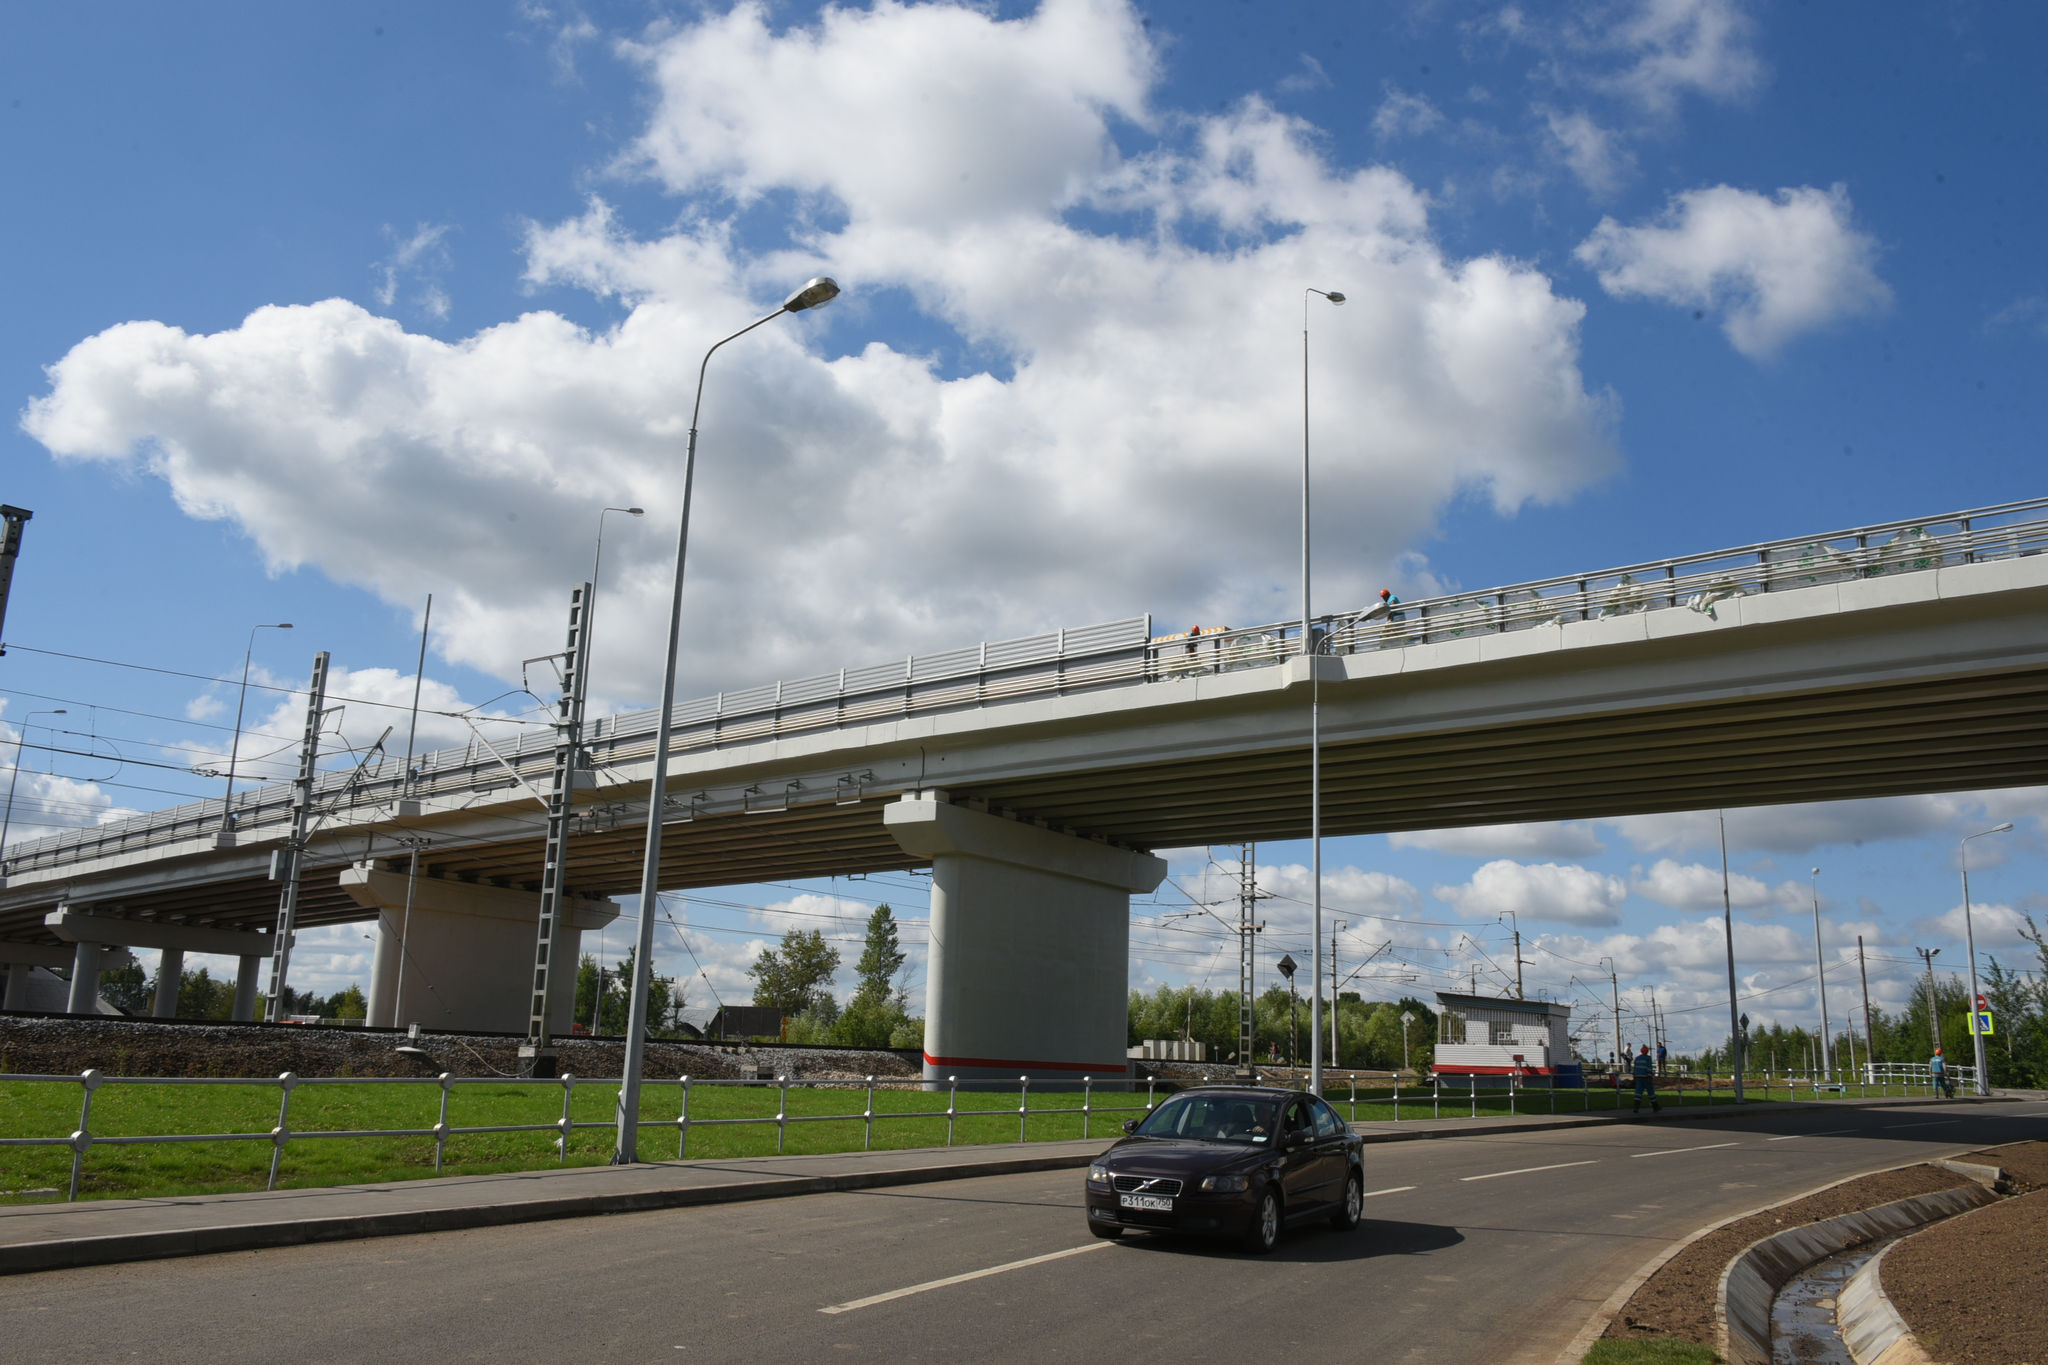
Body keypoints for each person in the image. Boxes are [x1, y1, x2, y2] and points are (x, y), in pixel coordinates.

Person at [1631, 1043, 1660, 1113]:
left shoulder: (1637, 1058)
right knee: (1651, 1092)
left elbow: (1634, 1069)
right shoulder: (1648, 1058)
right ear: (1647, 1051)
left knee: (1638, 1093)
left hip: (1638, 1078)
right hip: (1646, 1077)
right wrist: (1650, 1076)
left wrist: (1634, 1077)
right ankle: (1655, 1107)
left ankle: (1636, 1107)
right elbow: (1649, 1068)